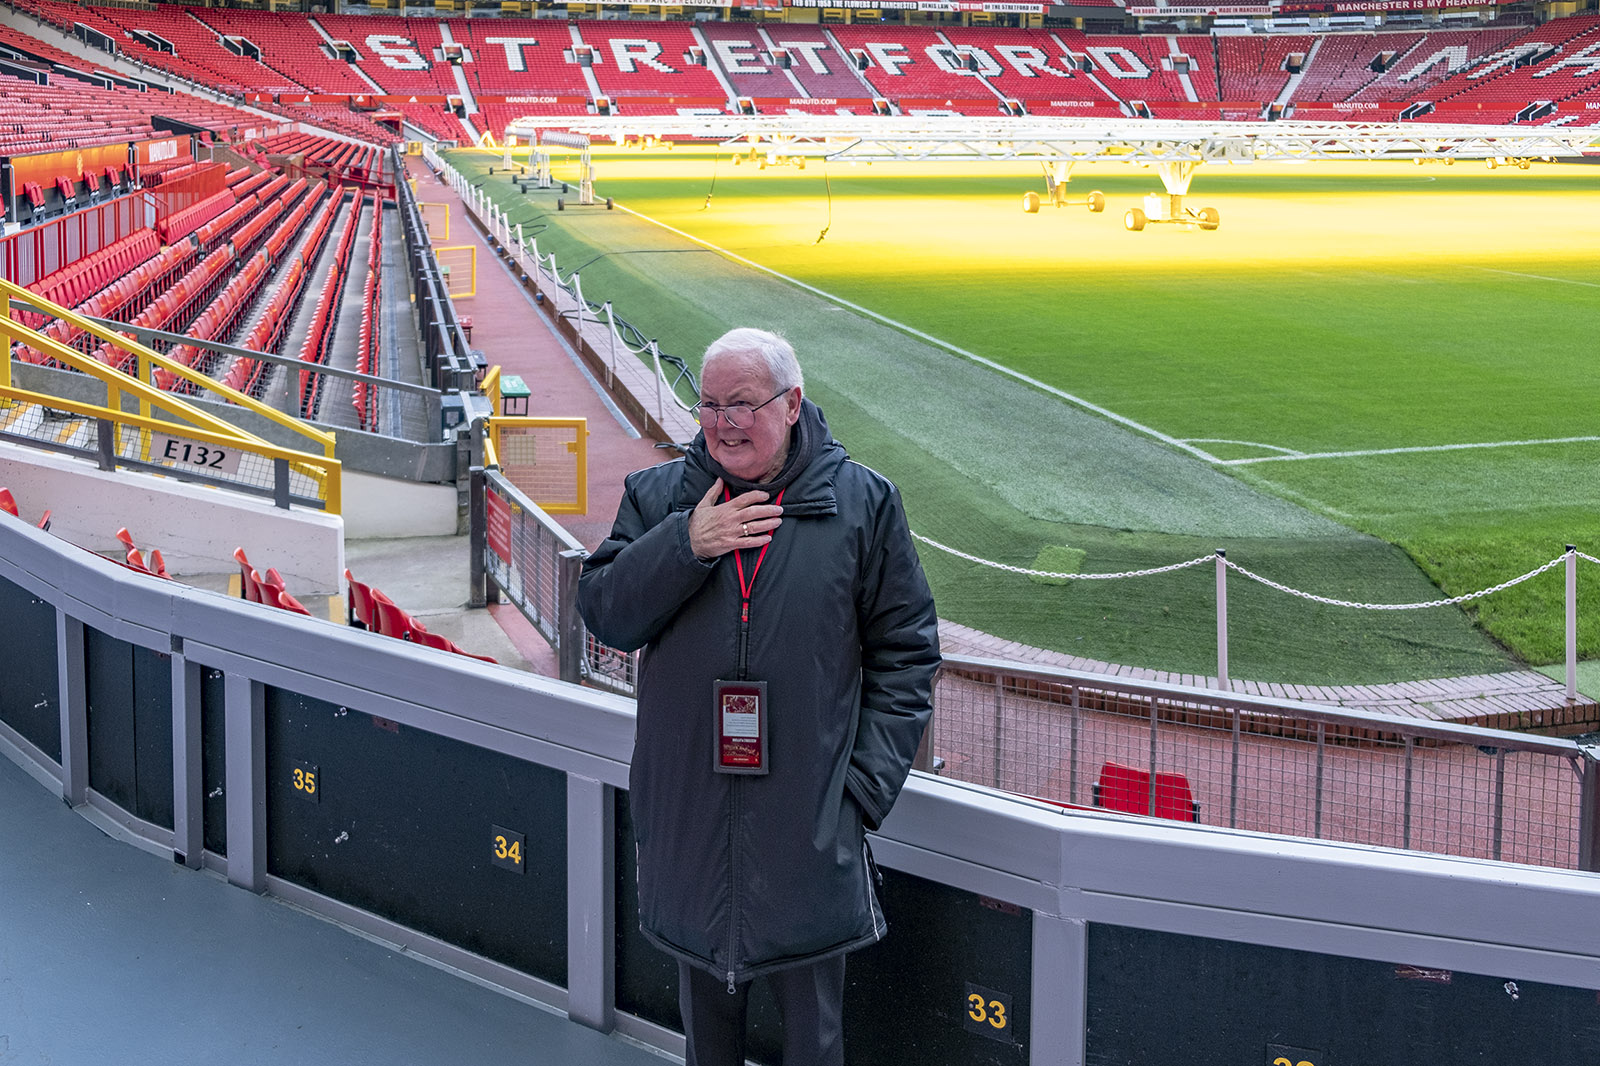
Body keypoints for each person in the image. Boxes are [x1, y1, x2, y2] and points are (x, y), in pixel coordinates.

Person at [578, 327, 941, 1066]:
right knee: (706, 1045)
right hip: (689, 828)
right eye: (710, 404)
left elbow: (907, 655)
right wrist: (689, 543)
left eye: (743, 403)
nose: (723, 423)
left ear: (793, 403)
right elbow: (605, 612)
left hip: (806, 834)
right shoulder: (657, 499)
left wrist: (860, 794)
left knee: (815, 1044)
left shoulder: (862, 504)